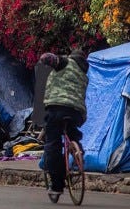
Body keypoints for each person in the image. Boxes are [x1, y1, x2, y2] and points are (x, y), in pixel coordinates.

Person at [38, 49, 89, 197]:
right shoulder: (84, 75)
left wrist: (49, 60)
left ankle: (57, 185)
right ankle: (77, 149)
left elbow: (46, 57)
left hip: (57, 108)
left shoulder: (65, 62)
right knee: (73, 134)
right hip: (77, 112)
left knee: (52, 144)